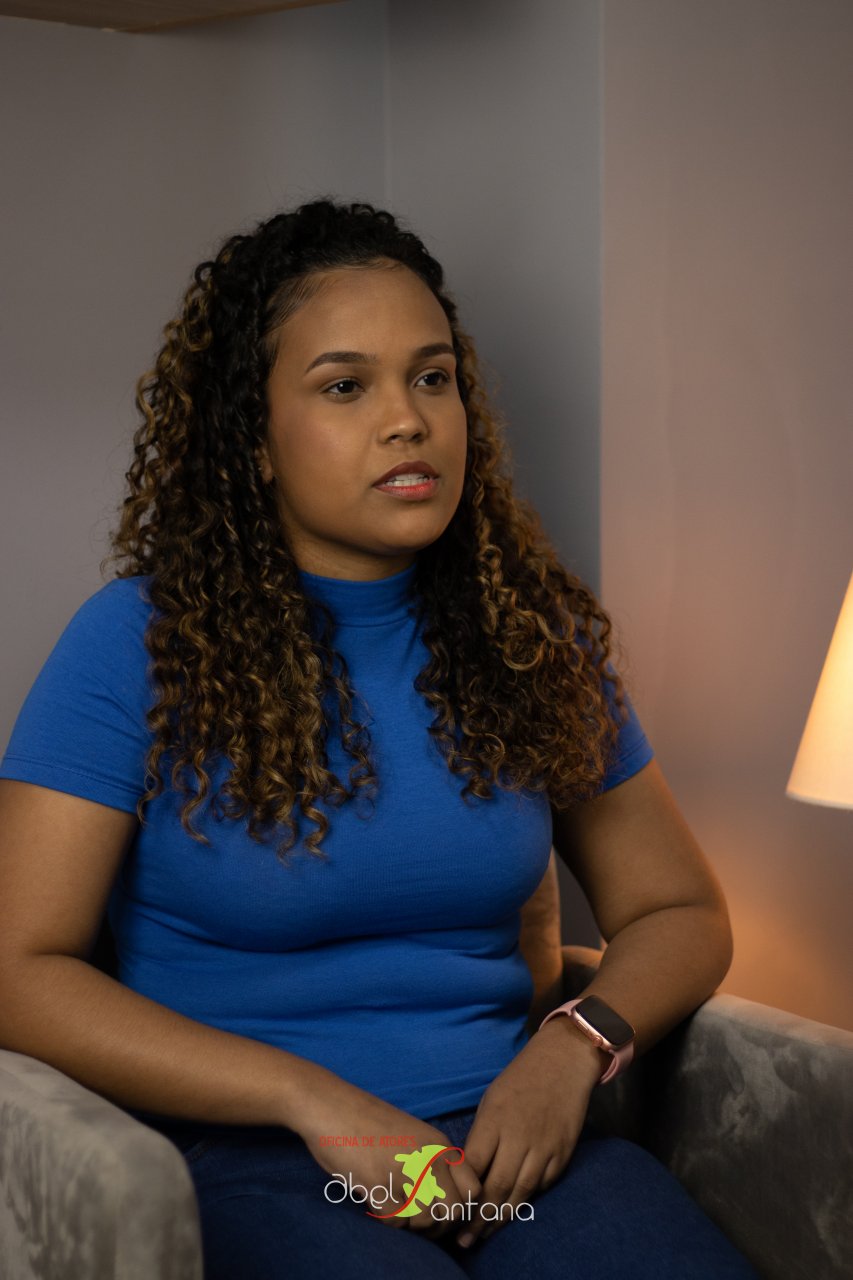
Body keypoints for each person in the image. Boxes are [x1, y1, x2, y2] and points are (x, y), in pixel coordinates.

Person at [0, 198, 759, 1279]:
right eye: (344, 385)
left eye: (432, 377)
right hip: (261, 1159)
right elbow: (18, 968)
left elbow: (678, 909)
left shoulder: (525, 637)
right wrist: (312, 1100)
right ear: (253, 440)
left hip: (510, 1148)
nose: (408, 420)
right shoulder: (136, 642)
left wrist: (573, 1043)